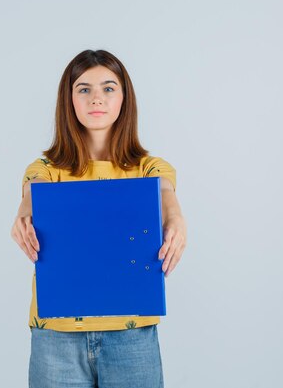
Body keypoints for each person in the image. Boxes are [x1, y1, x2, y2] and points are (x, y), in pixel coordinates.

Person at [10, 49, 187, 388]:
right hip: (57, 338)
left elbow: (163, 189)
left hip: (131, 334)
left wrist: (175, 215)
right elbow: (34, 189)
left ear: (124, 98)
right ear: (69, 99)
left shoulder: (146, 167)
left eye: (108, 88)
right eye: (83, 88)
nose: (96, 98)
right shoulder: (48, 169)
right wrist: (23, 212)